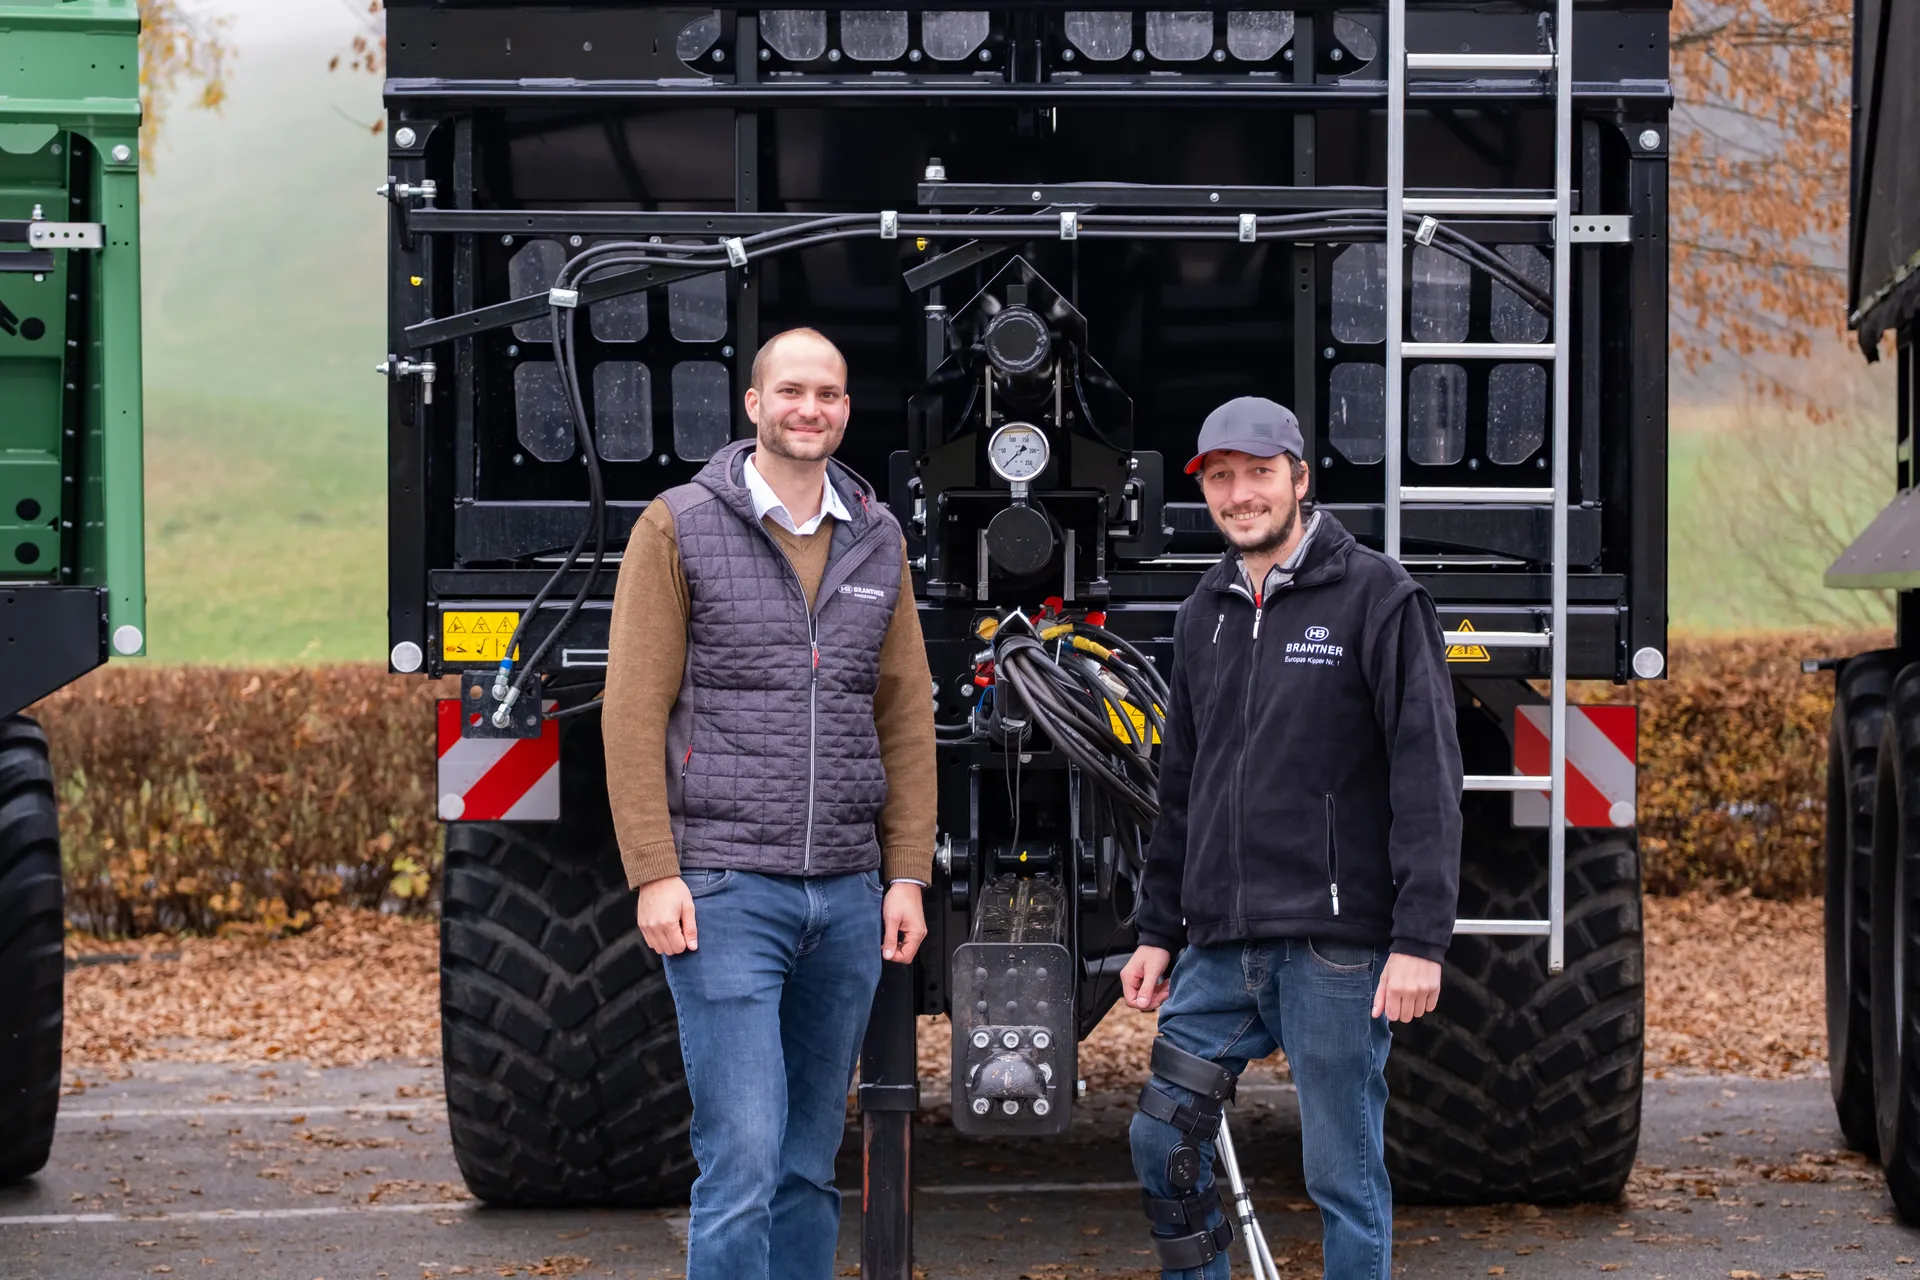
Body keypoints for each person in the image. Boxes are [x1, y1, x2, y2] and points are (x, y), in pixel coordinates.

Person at [601, 328, 936, 1280]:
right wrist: (655, 872)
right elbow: (633, 709)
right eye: (790, 391)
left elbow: (904, 712)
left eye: (827, 394)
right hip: (724, 889)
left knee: (804, 1163)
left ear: (845, 411)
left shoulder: (877, 535)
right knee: (743, 1156)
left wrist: (905, 874)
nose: (809, 409)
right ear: (753, 405)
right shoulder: (678, 525)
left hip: (845, 896)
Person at [1118, 396, 1463, 1280]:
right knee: (1162, 1137)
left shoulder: (1380, 598)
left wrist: (1420, 941)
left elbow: (1427, 777)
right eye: (1221, 478)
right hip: (1222, 946)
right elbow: (1183, 786)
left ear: (1300, 479)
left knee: (1342, 1174)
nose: (1241, 494)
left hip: (1334, 946)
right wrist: (1157, 930)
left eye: (1259, 474)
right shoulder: (1205, 610)